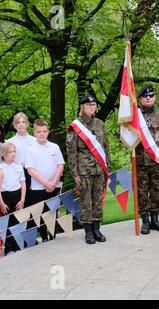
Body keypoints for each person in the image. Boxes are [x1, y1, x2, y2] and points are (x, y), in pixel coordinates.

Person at [66, 95, 110, 244]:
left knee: (98, 200)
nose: (92, 107)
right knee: (86, 201)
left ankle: (97, 229)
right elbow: (71, 152)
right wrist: (75, 174)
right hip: (83, 171)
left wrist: (107, 168)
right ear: (82, 107)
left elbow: (106, 147)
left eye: (94, 104)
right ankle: (88, 232)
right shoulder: (75, 127)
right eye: (89, 104)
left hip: (99, 170)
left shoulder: (100, 124)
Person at [135, 85, 159, 235]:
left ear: (154, 98)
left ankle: (155, 220)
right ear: (140, 99)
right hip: (140, 161)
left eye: (151, 95)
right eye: (145, 96)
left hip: (157, 161)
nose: (148, 97)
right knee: (142, 192)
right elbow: (123, 137)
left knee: (157, 191)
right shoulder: (133, 117)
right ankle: (145, 221)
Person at [25, 119, 65, 242]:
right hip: (38, 187)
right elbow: (30, 170)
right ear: (34, 132)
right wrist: (46, 183)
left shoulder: (54, 147)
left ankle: (52, 235)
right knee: (40, 213)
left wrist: (53, 182)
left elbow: (60, 165)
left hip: (55, 185)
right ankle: (43, 236)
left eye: (44, 131)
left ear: (48, 132)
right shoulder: (31, 149)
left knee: (52, 211)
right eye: (39, 131)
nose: (42, 134)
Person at [0, 142, 26, 255]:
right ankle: (8, 248)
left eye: (14, 151)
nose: (13, 154)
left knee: (17, 222)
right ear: (3, 154)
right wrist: (1, 203)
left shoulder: (19, 167)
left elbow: (23, 184)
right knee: (8, 223)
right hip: (5, 197)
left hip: (18, 196)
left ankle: (18, 245)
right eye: (10, 152)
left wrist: (22, 199)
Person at [7, 112, 36, 205]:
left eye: (23, 122)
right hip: (17, 173)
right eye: (18, 122)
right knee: (19, 200)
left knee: (32, 199)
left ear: (27, 124)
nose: (21, 124)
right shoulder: (9, 142)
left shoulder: (35, 140)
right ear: (14, 125)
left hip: (33, 173)